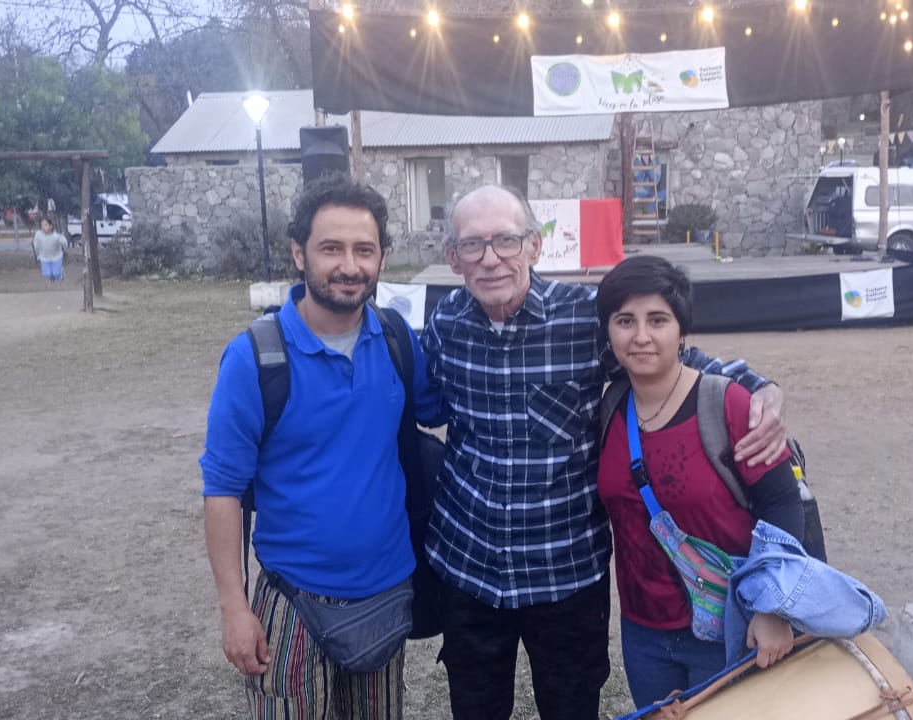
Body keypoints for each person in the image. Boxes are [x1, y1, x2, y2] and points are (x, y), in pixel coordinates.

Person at [420, 184, 788, 720]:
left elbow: (675, 361)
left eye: (505, 240)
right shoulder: (445, 326)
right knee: (474, 708)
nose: (491, 258)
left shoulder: (586, 319)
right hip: (469, 568)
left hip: (565, 573)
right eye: (473, 245)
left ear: (534, 247)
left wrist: (764, 389)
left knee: (570, 708)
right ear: (454, 258)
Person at [200, 175, 442, 720]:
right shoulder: (255, 359)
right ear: (298, 253)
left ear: (382, 258)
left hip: (387, 591)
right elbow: (222, 492)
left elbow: (450, 406)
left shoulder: (398, 339)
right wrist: (234, 608)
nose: (349, 265)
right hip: (294, 602)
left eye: (365, 249)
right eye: (331, 248)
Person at [593, 255, 805, 708]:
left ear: (681, 330)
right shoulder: (610, 409)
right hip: (643, 632)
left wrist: (773, 609)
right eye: (625, 320)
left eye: (658, 320)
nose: (641, 336)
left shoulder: (727, 404)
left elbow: (784, 505)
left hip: (732, 629)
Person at [32, 218, 69, 283]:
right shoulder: (38, 234)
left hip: (56, 257)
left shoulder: (56, 236)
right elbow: (36, 245)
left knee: (56, 273)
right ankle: (52, 278)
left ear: (51, 226)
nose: (43, 227)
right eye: (42, 225)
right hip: (44, 257)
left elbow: (64, 243)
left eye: (45, 225)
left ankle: (60, 273)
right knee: (47, 273)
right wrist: (38, 254)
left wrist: (65, 248)